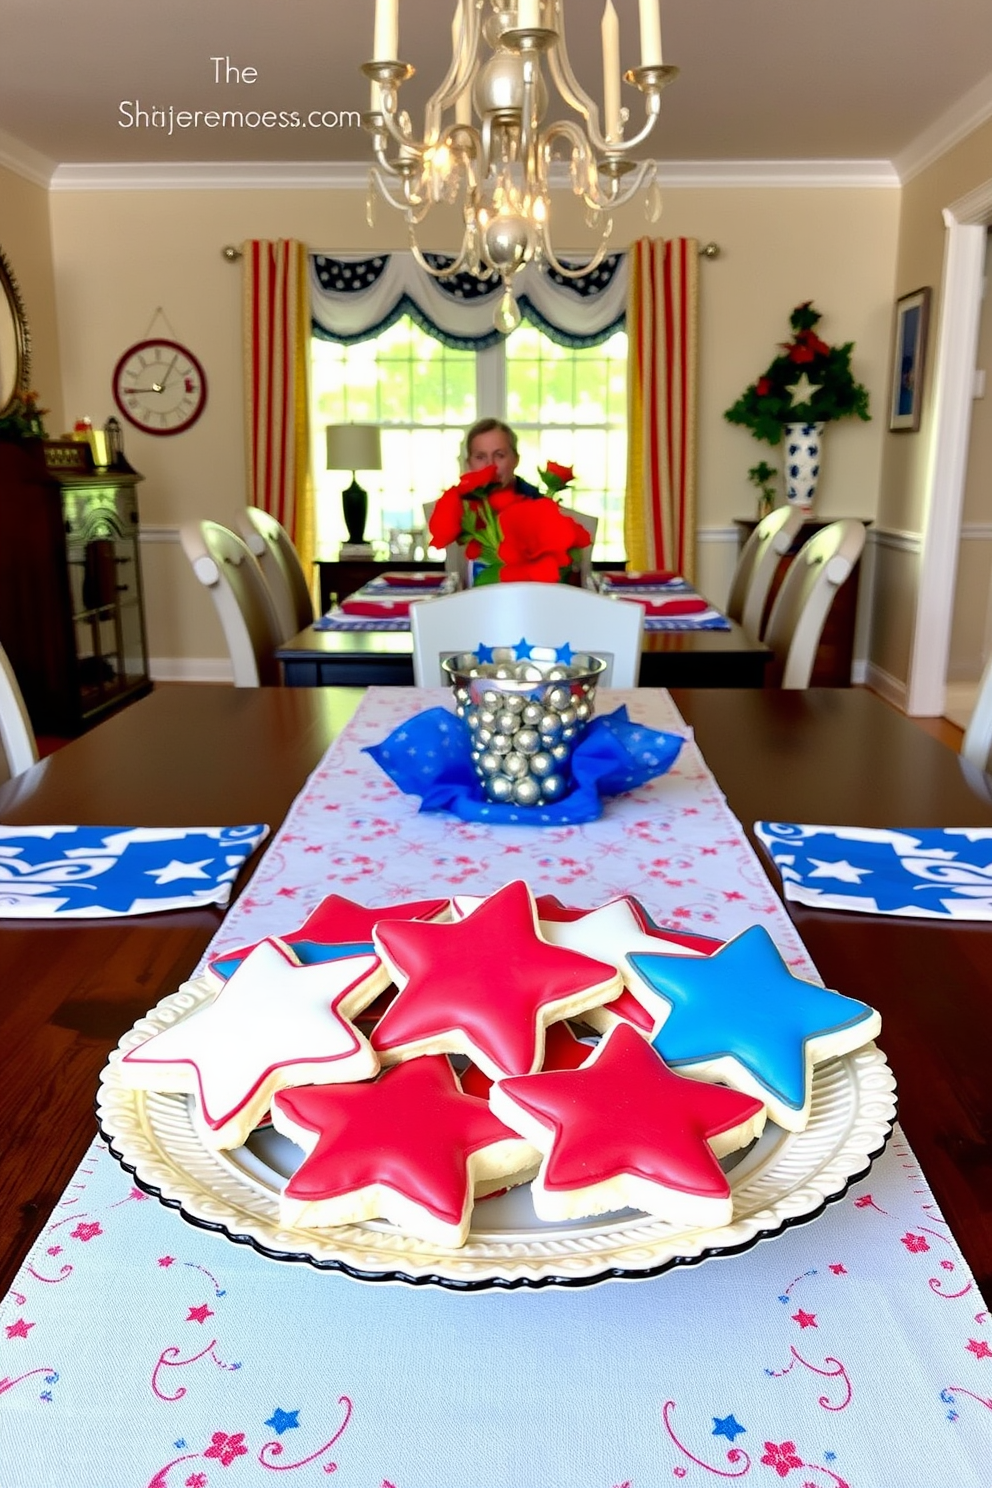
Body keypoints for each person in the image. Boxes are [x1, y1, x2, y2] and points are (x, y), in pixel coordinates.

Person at [464, 417, 540, 496]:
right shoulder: (461, 503)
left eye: (499, 455)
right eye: (480, 457)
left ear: (516, 460)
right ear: (469, 463)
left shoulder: (537, 502)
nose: (491, 465)